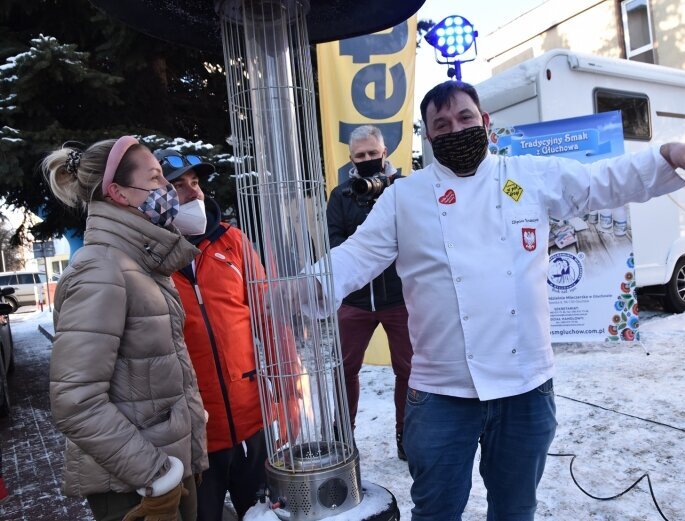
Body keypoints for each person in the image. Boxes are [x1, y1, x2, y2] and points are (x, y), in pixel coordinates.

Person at [312, 81, 685, 520]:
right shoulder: (404, 197)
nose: (455, 130)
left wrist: (665, 155)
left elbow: (602, 183)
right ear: (428, 137)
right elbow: (355, 257)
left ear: (484, 122)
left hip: (525, 387)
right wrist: (305, 290)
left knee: (515, 510)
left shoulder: (524, 178)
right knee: (436, 511)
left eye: (465, 118)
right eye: (441, 125)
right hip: (441, 393)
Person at [43, 137, 208, 521]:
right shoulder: (101, 270)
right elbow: (75, 402)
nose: (167, 190)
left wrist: (190, 455)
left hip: (168, 470)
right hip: (135, 487)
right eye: (154, 180)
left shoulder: (141, 263)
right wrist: (157, 475)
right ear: (117, 192)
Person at [156, 149, 301, 520]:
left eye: (196, 183)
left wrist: (289, 394)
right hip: (195, 433)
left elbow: (270, 317)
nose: (194, 193)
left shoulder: (231, 241)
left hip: (253, 418)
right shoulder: (146, 261)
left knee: (265, 513)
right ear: (157, 196)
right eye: (178, 185)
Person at [325, 125, 413, 460]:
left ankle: (407, 435)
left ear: (385, 152)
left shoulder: (404, 188)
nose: (367, 160)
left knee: (408, 369)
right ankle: (344, 439)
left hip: (399, 298)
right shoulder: (341, 194)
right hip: (355, 300)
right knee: (344, 369)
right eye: (360, 156)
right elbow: (334, 242)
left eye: (372, 154)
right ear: (350, 159)